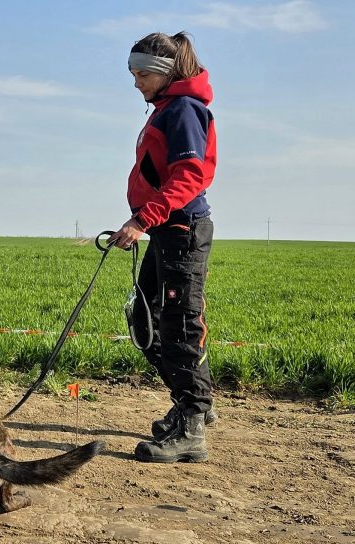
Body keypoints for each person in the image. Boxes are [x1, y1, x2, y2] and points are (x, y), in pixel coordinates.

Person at [108, 31, 217, 463]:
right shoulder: (167, 108)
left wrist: (141, 219)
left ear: (163, 72)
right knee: (145, 319)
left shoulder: (185, 110)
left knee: (179, 327)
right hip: (165, 231)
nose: (135, 82)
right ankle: (194, 404)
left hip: (181, 229)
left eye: (140, 74)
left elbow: (191, 175)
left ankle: (192, 426)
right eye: (132, 73)